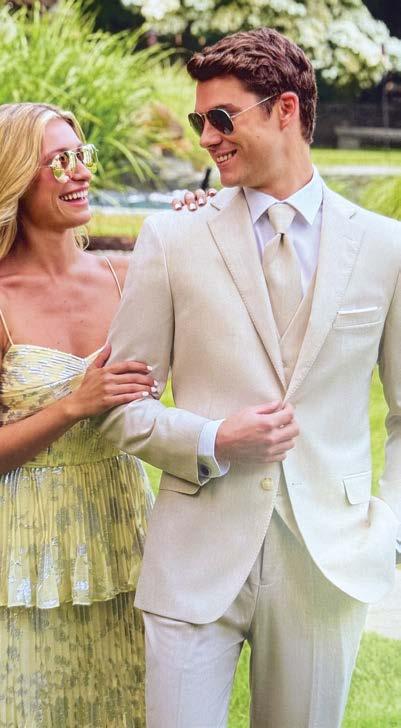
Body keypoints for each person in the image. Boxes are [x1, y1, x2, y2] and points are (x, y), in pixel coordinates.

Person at [99, 28, 401, 728]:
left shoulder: (385, 248)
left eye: (221, 117)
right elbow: (119, 408)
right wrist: (212, 438)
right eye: (198, 120)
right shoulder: (172, 240)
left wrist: (387, 526)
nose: (207, 137)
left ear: (285, 109)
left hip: (327, 563)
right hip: (192, 560)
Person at [0, 102, 160, 727]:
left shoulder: (128, 276)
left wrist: (204, 220)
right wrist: (74, 405)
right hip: (24, 549)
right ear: (15, 178)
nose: (81, 172)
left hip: (125, 533)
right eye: (59, 161)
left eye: (81, 155)